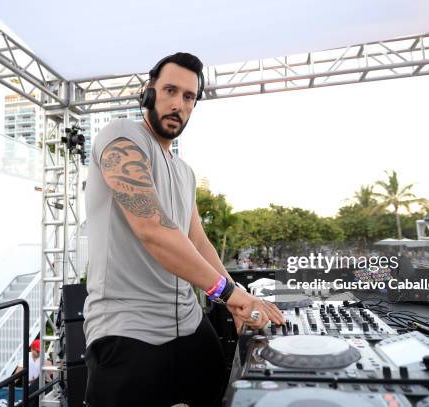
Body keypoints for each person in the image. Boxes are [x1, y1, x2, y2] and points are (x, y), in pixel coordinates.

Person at [82, 52, 284, 407]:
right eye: (170, 90)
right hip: (127, 329)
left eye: (188, 97)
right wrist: (230, 294)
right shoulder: (121, 138)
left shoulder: (185, 171)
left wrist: (236, 296)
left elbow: (197, 240)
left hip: (189, 325)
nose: (178, 104)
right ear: (149, 93)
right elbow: (153, 230)